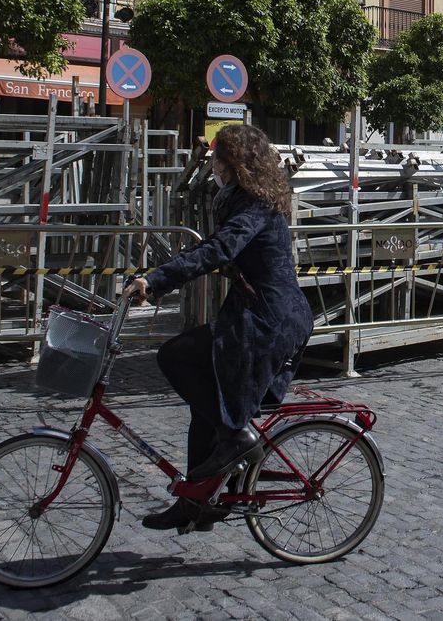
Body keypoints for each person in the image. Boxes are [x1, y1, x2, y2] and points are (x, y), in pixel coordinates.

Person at [123, 125, 312, 532]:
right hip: (253, 313)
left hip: (269, 320)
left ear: (234, 163)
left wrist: (156, 281)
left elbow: (221, 249)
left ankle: (237, 437)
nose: (212, 166)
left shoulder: (256, 203)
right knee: (201, 407)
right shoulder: (241, 199)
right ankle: (197, 502)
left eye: (217, 159)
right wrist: (158, 276)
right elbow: (213, 247)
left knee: (175, 356)